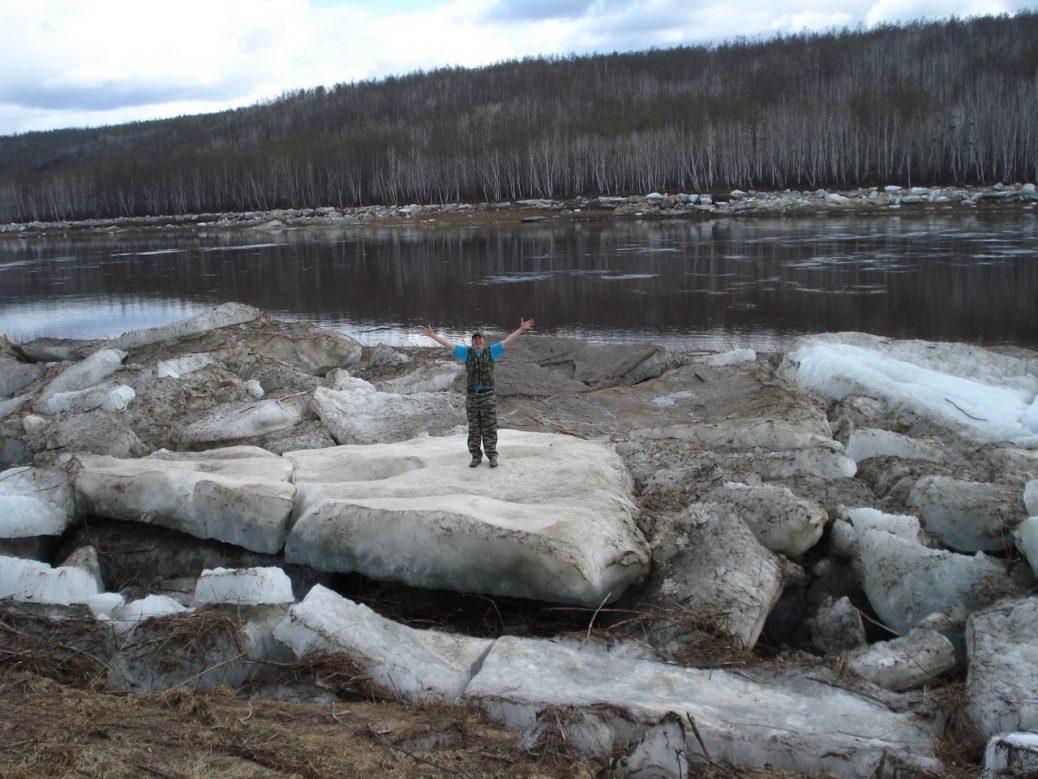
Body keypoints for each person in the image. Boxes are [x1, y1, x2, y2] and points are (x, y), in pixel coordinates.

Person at [420, 318, 535, 468]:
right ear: (472, 342)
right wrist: (433, 336)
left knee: (489, 428)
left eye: (480, 339)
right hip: (473, 397)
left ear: (484, 342)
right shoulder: (466, 353)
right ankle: (476, 456)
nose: (478, 341)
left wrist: (521, 329)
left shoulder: (492, 352)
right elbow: (449, 345)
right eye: (475, 340)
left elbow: (508, 341)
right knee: (474, 429)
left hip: (488, 396)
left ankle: (492, 456)